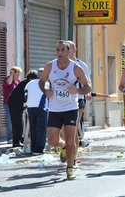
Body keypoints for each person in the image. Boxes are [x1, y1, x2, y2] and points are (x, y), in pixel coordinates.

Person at [39, 40, 91, 180]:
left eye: (62, 50)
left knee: (70, 138)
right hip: (54, 108)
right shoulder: (50, 66)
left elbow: (88, 87)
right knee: (52, 140)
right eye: (57, 50)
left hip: (70, 108)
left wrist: (78, 90)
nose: (59, 53)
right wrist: (45, 91)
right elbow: (41, 81)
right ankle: (62, 147)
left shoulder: (76, 68)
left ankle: (70, 168)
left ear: (69, 52)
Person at [68, 41, 91, 149]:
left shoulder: (81, 65)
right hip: (61, 99)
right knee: (64, 127)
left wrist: (87, 92)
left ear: (74, 50)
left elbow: (87, 82)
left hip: (78, 98)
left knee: (74, 126)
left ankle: (73, 152)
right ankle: (66, 147)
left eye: (69, 49)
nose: (67, 51)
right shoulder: (57, 64)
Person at [8, 70, 37, 148]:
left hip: (19, 104)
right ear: (31, 78)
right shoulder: (26, 83)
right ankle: (15, 142)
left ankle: (20, 139)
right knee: (17, 123)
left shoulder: (27, 83)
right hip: (14, 104)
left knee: (21, 122)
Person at [24, 68, 48, 154]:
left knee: (33, 128)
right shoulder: (46, 84)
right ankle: (39, 148)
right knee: (41, 128)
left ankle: (33, 147)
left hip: (30, 107)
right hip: (41, 107)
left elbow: (25, 94)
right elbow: (49, 95)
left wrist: (30, 103)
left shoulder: (29, 83)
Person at [2, 66, 22, 144]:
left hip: (17, 103)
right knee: (10, 120)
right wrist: (11, 75)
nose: (18, 77)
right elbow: (9, 83)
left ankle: (17, 137)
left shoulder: (18, 81)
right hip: (8, 103)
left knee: (17, 120)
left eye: (19, 75)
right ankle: (10, 138)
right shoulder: (7, 80)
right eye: (16, 75)